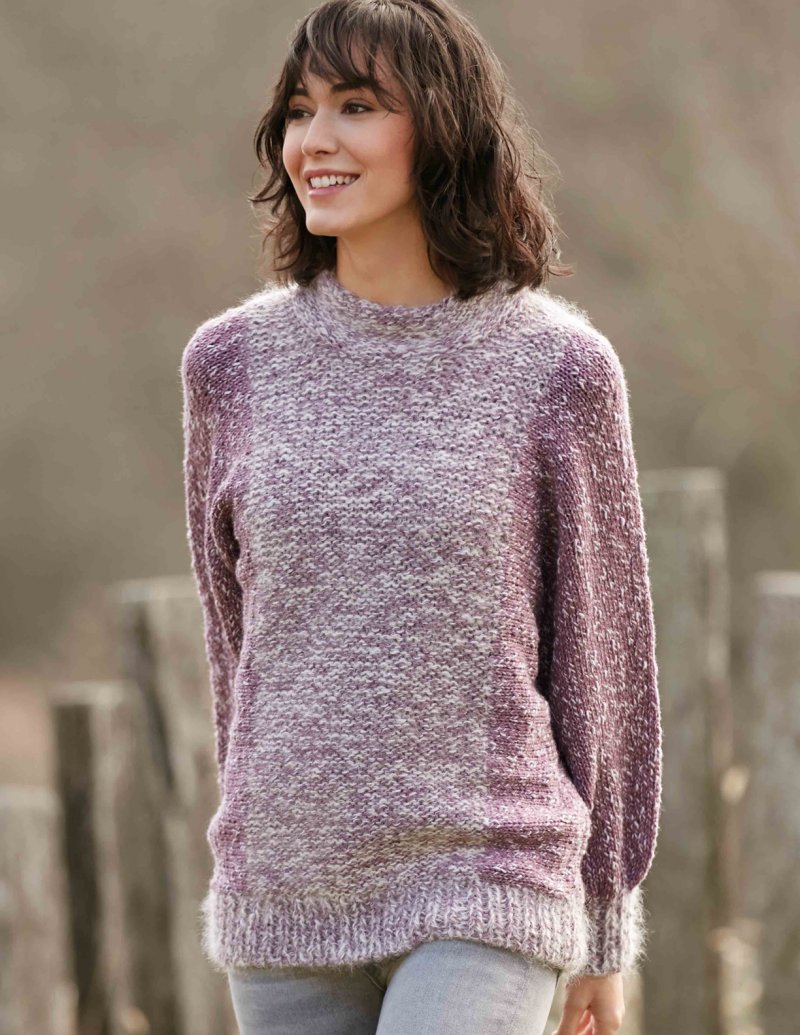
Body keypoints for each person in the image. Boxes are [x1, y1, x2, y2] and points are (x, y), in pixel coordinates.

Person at [179, 1, 663, 1033]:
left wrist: (603, 925)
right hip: (288, 889)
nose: (315, 140)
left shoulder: (558, 369)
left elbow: (599, 659)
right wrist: (254, 837)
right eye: (300, 111)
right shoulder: (230, 365)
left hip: (488, 875)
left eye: (356, 106)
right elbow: (237, 648)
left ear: (442, 125)